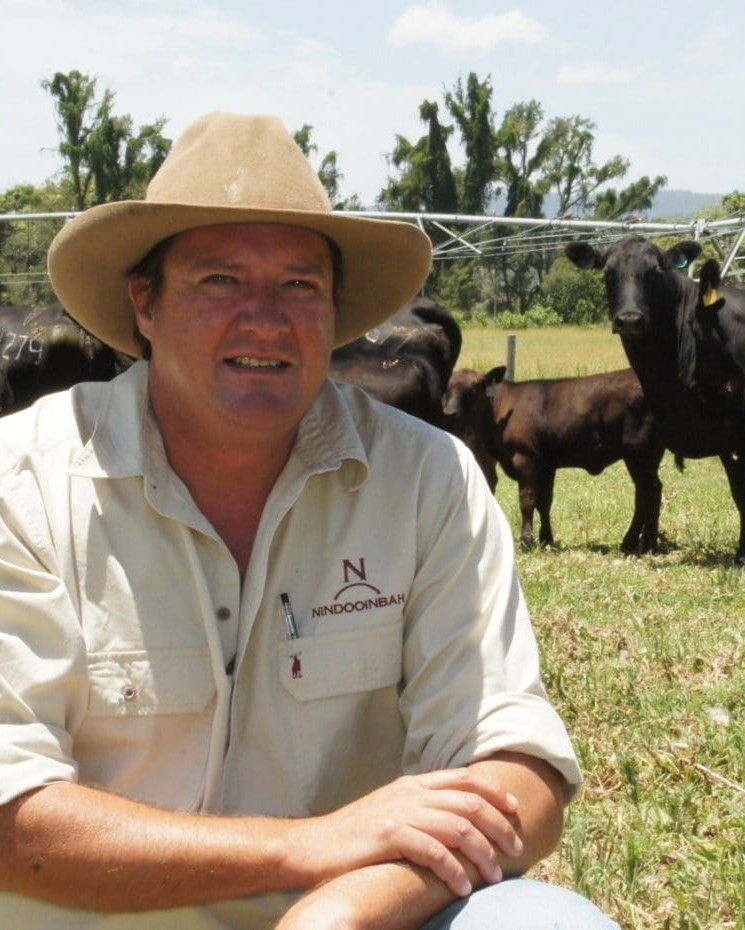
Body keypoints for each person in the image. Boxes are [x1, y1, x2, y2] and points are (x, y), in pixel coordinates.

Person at [0, 112, 617, 930]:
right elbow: (12, 821)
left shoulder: (426, 481)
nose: (266, 318)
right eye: (220, 280)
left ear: (334, 311)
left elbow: (519, 775)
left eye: (300, 285)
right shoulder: (24, 483)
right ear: (142, 303)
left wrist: (344, 908)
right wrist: (307, 848)